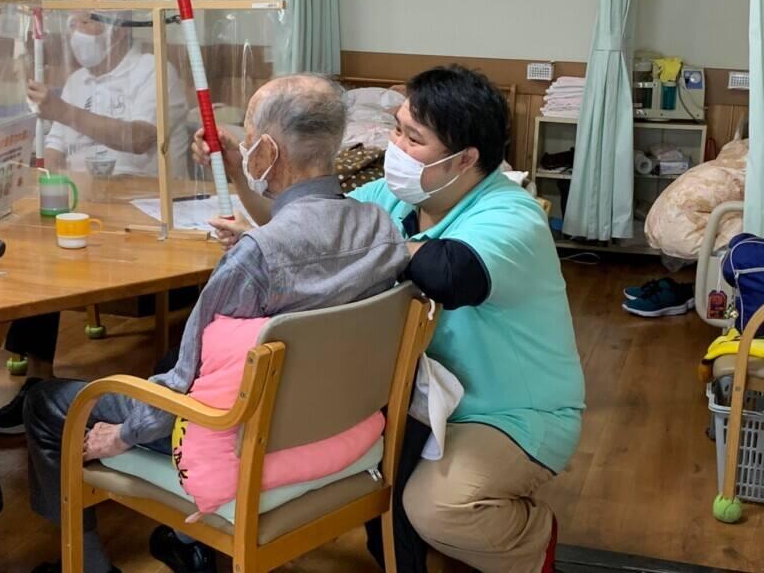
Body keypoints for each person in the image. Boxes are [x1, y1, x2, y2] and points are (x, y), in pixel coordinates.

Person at [201, 65, 585, 573]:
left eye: (413, 137)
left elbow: (452, 273)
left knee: (437, 509)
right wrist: (241, 181)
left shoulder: (511, 215)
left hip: (508, 413)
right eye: (397, 126)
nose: (394, 145)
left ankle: (531, 541)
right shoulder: (395, 197)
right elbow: (309, 229)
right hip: (420, 395)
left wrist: (355, 247)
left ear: (464, 159)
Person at [21, 73, 410, 573]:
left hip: (239, 433)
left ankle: (88, 563)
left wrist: (124, 435)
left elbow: (184, 384)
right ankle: (194, 545)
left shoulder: (257, 257)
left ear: (267, 152)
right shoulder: (383, 229)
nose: (244, 149)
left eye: (247, 140)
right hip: (335, 423)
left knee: (44, 402)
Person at [0, 0, 190, 436]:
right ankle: (37, 379)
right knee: (31, 242)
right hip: (86, 205)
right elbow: (54, 148)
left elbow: (141, 137)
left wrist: (61, 110)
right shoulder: (77, 81)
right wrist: (53, 181)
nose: (75, 29)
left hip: (143, 211)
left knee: (50, 250)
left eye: (85, 20)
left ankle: (45, 390)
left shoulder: (154, 71)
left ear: (117, 27)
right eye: (72, 20)